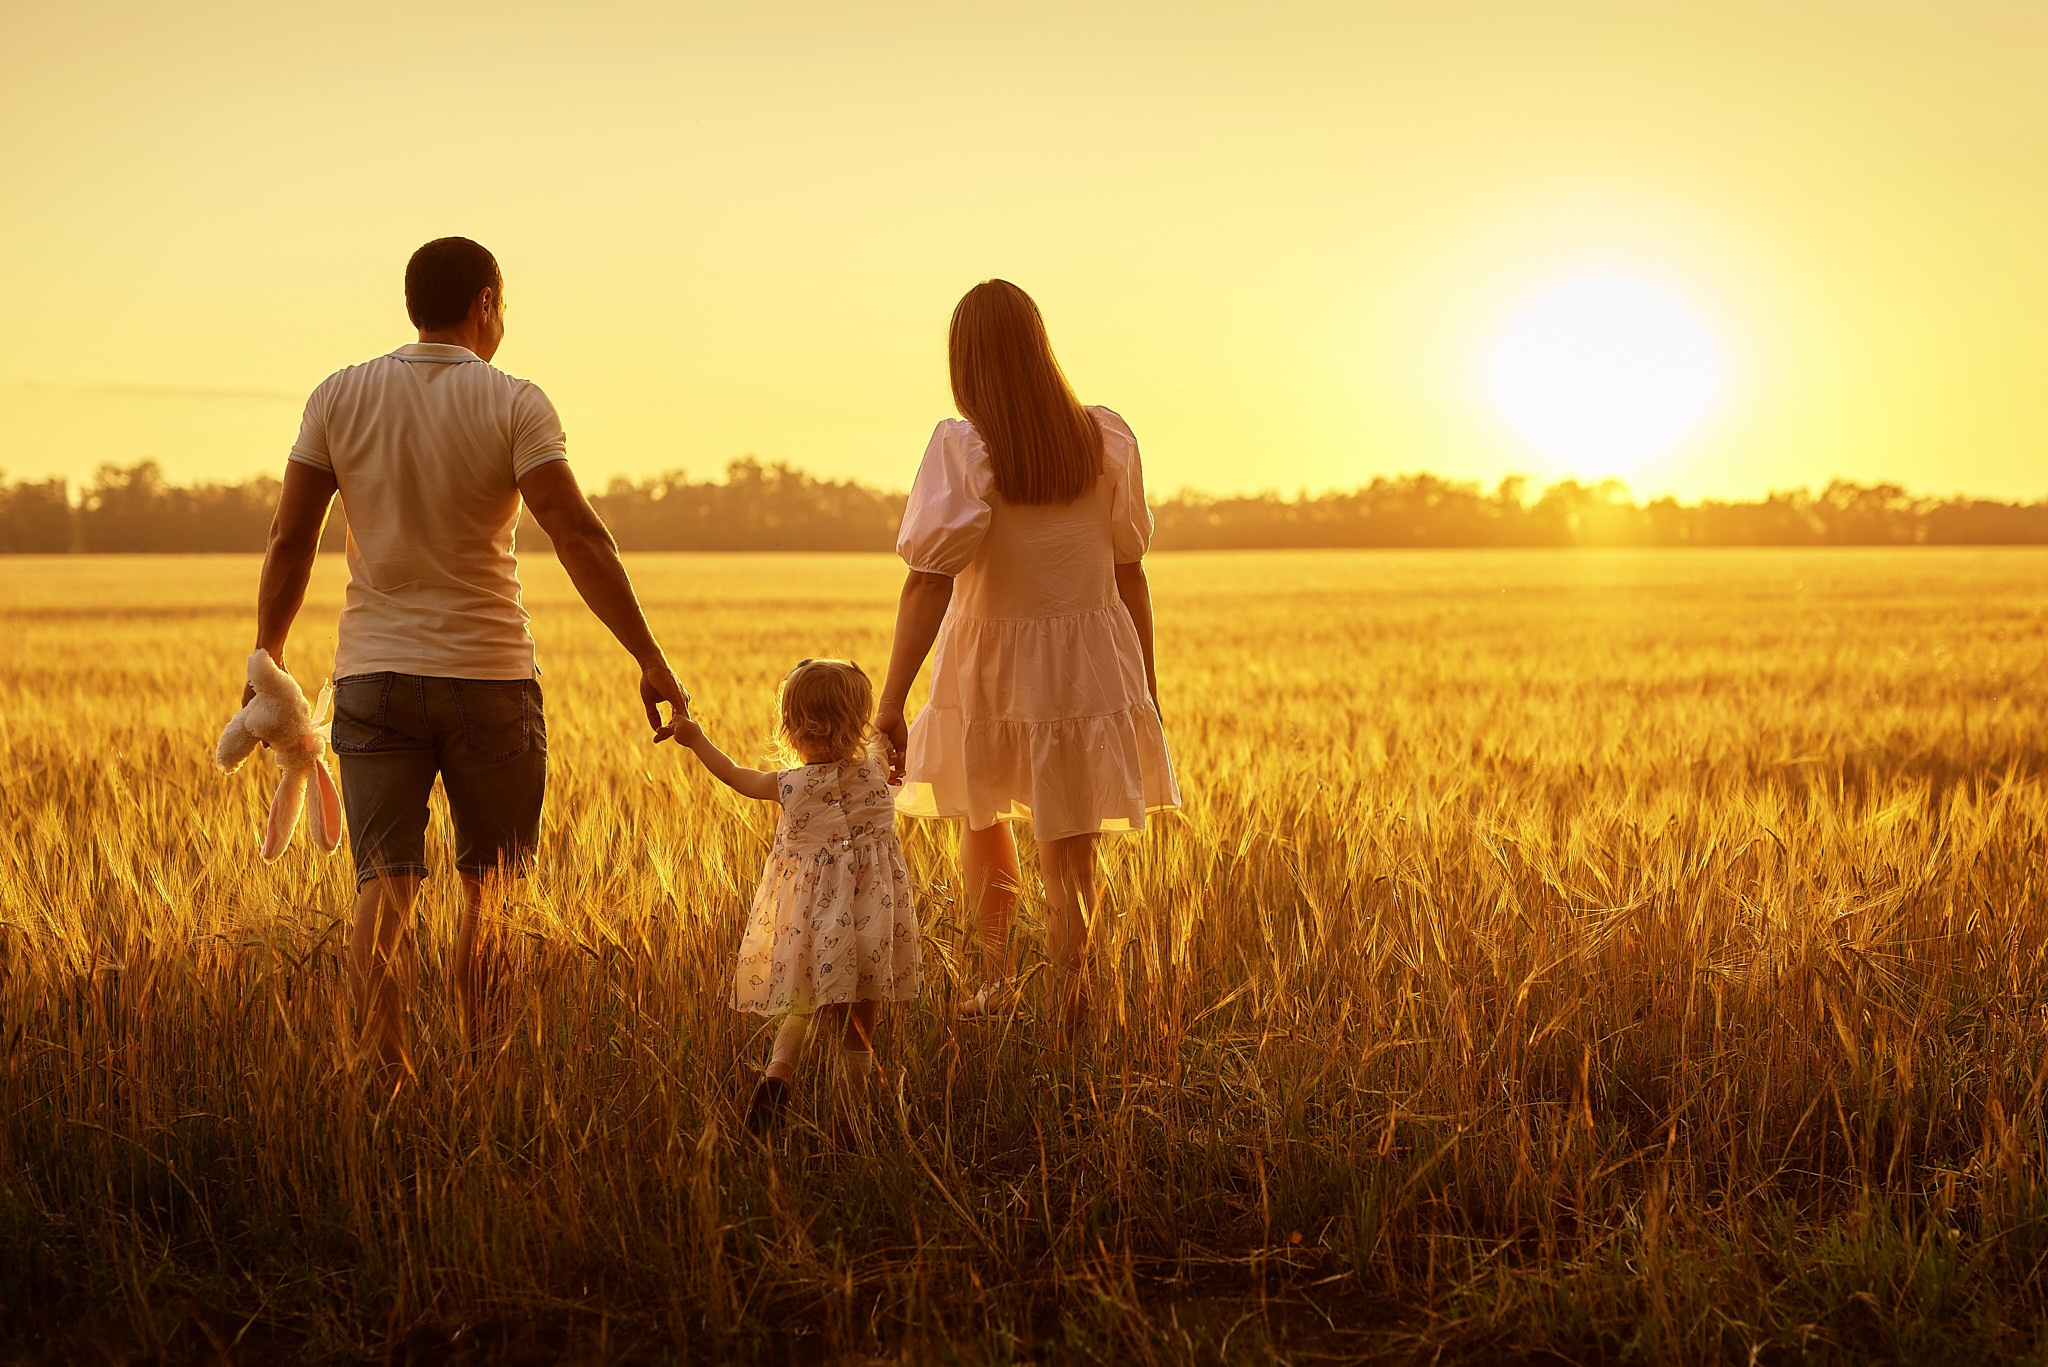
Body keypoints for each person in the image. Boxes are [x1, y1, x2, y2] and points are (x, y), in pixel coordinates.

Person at [247, 236, 691, 1076]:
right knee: (492, 887)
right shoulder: (515, 401)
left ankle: (382, 1075)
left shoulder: (337, 396)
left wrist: (266, 659)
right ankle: (486, 1075)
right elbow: (576, 531)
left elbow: (290, 537)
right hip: (490, 678)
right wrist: (649, 655)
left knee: (383, 879)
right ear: (486, 302)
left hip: (373, 679)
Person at [876, 279, 1179, 1035]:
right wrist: (1143, 684)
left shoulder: (965, 447)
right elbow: (1129, 568)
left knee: (982, 815)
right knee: (1072, 850)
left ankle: (998, 980)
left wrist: (889, 702)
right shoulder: (1101, 438)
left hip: (991, 658)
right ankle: (1072, 1003)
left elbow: (926, 579)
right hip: (1088, 659)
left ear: (967, 361)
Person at [673, 659, 920, 1134]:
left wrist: (695, 736)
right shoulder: (874, 769)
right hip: (872, 911)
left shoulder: (788, 786)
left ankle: (778, 1073)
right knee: (863, 1008)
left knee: (802, 997)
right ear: (858, 721)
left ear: (789, 726)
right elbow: (887, 736)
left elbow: (732, 774)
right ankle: (852, 1112)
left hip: (809, 915)